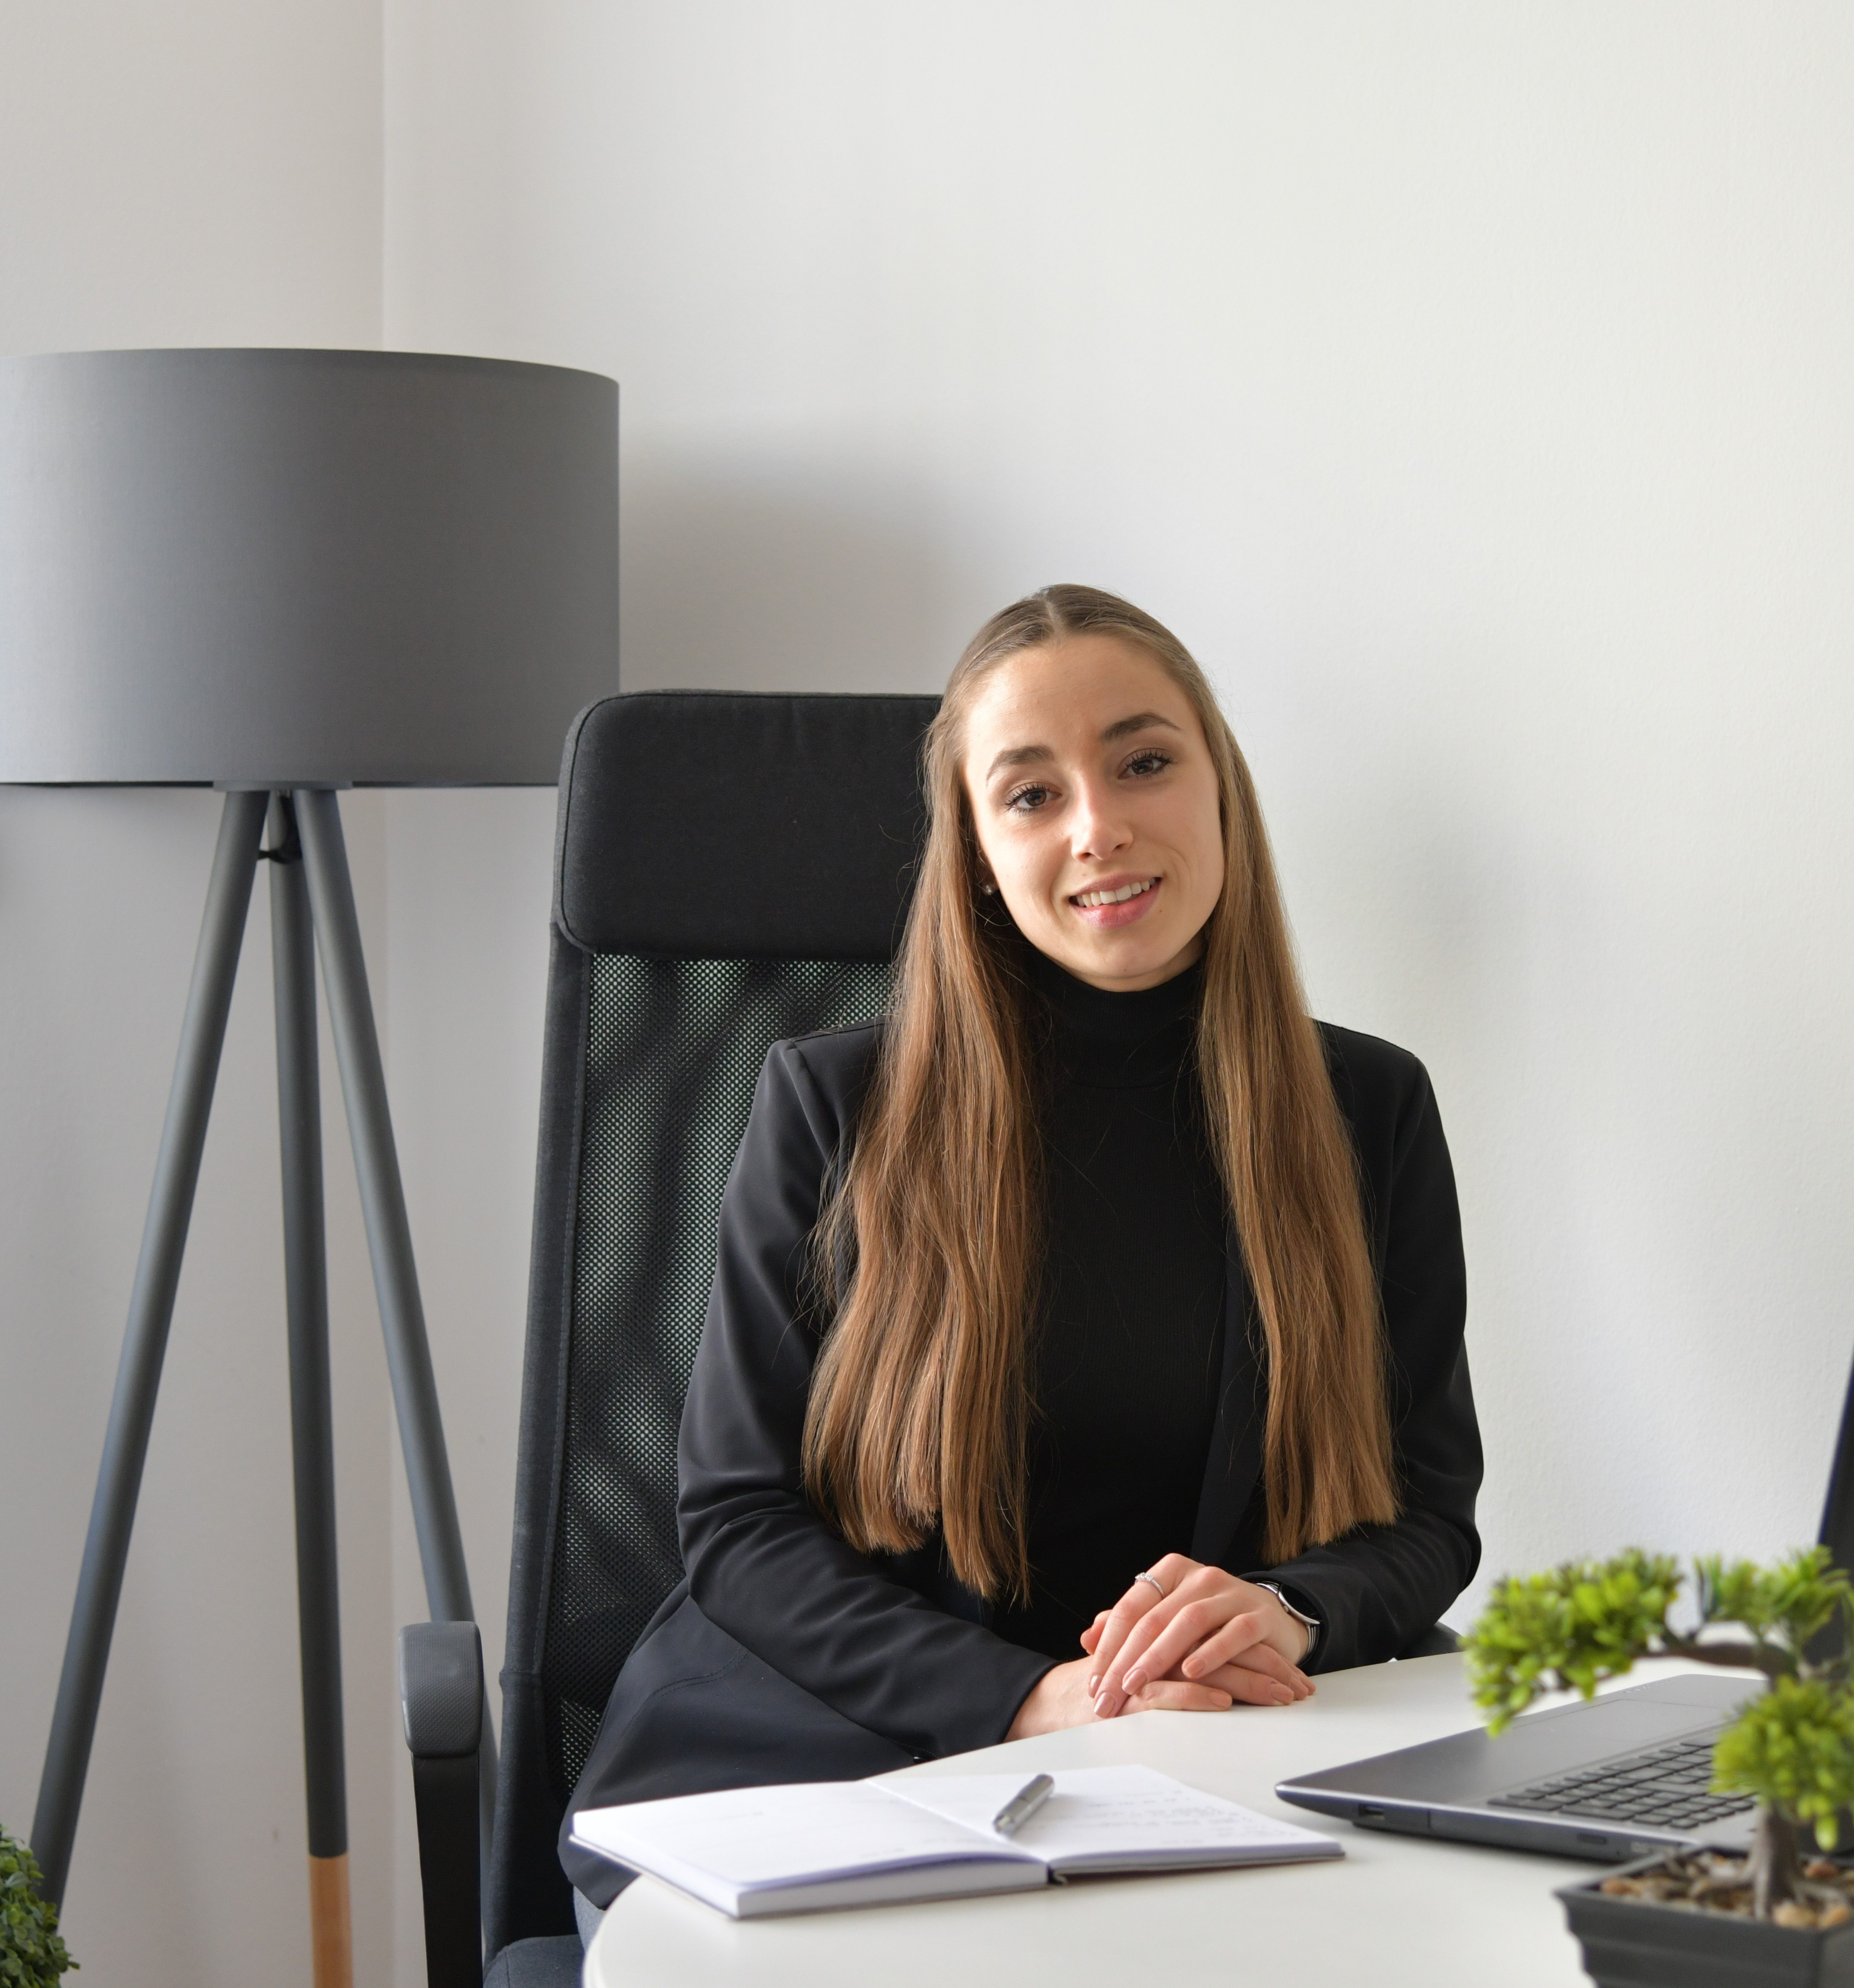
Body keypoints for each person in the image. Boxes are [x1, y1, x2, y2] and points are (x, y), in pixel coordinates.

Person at [563, 584, 1481, 1907]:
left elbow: (1423, 1508)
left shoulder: (1366, 1108)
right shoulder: (833, 1105)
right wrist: (1031, 1699)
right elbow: (740, 1520)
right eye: (1032, 793)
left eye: (1143, 762)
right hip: (844, 1752)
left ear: (1218, 785)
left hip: (1202, 1767)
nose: (1100, 827)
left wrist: (1293, 1610)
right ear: (978, 851)